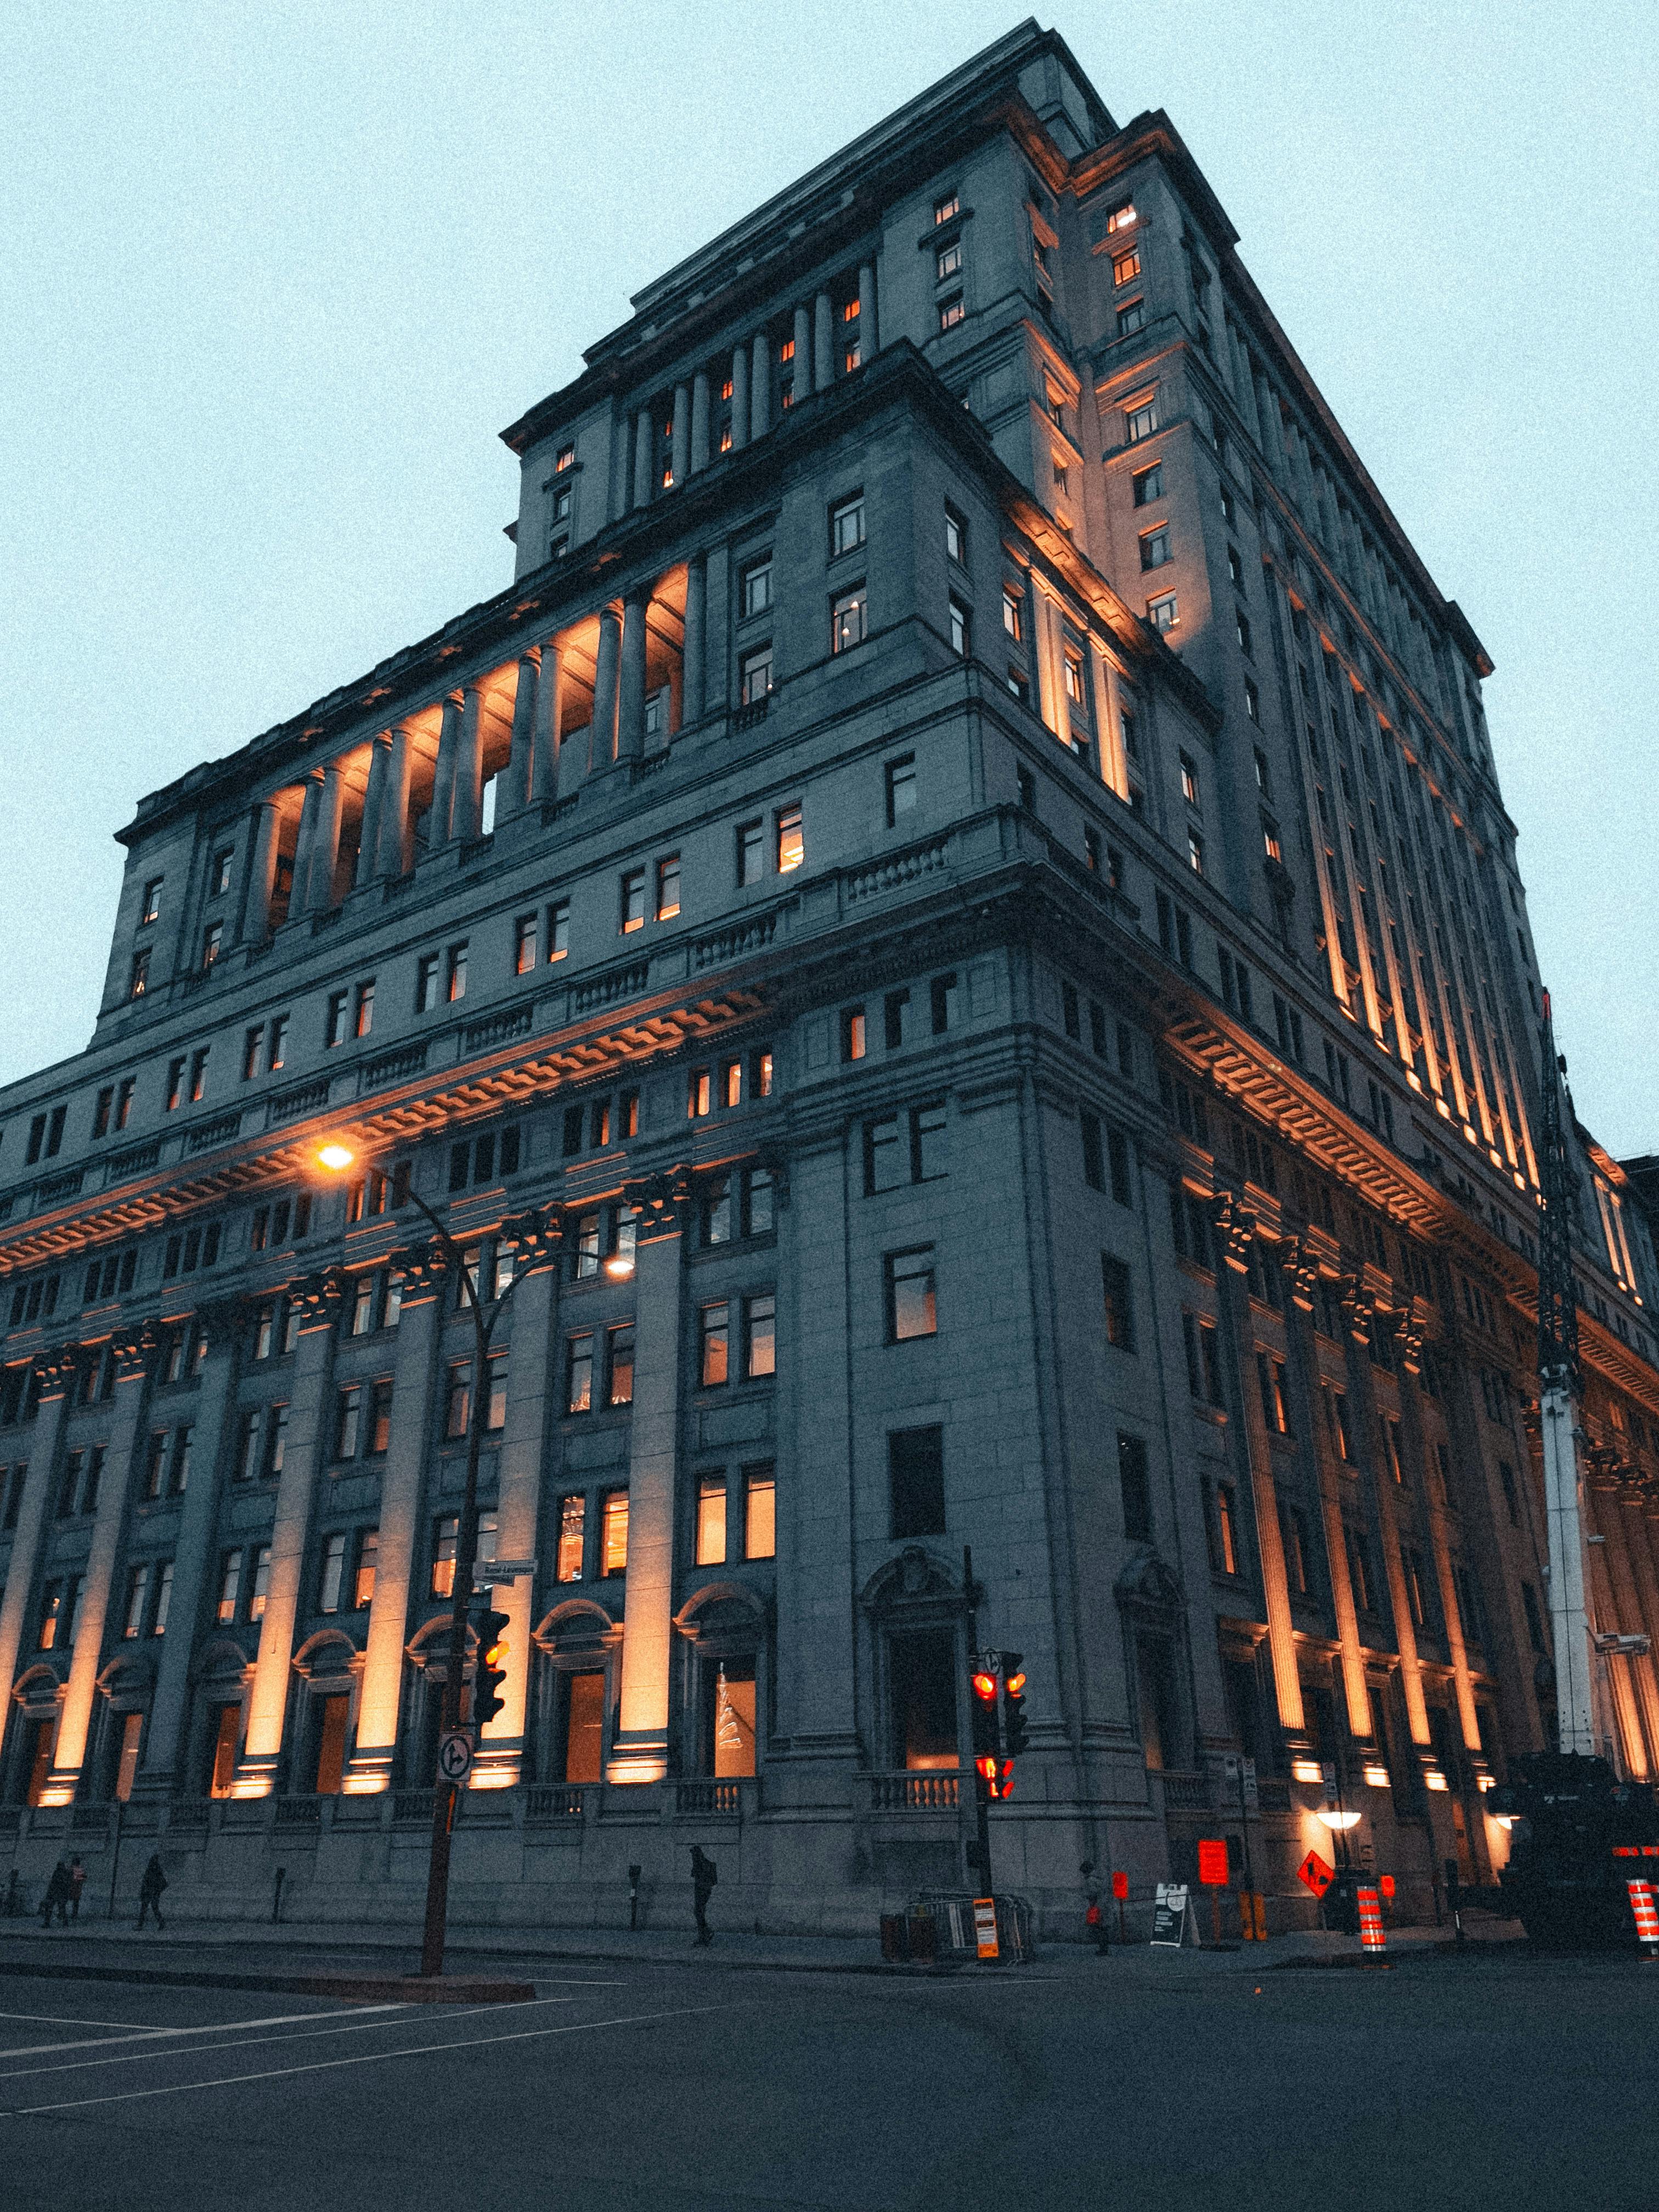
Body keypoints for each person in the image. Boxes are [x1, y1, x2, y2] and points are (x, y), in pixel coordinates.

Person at [690, 1846, 717, 1946]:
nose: (692, 1857)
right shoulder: (705, 1863)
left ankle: (704, 1934)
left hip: (701, 1891)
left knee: (699, 1913)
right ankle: (704, 1934)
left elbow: (695, 1875)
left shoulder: (699, 1863)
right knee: (699, 1913)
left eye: (693, 1854)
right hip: (705, 1891)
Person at [137, 1853, 167, 1931]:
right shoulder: (156, 1869)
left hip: (150, 1892)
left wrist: (143, 1892)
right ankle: (161, 1923)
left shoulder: (152, 1869)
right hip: (153, 1892)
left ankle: (141, 1925)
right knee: (152, 1908)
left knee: (146, 1908)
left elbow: (146, 1882)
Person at [39, 1861, 70, 1928]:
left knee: (51, 1909)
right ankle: (65, 1923)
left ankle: (47, 1923)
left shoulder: (58, 1873)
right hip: (60, 1894)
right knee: (61, 1909)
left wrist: (49, 1894)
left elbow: (53, 1884)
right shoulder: (65, 1873)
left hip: (55, 1893)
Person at [66, 1855, 86, 1923]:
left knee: (64, 1901)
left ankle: (63, 1914)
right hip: (77, 1889)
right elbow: (82, 1880)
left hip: (70, 1888)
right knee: (76, 1903)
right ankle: (74, 1915)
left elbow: (68, 1878)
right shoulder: (80, 1870)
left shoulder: (71, 1869)